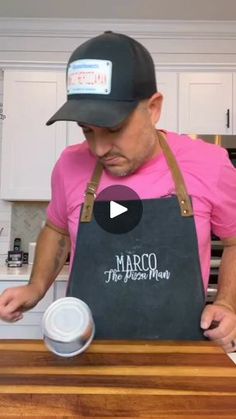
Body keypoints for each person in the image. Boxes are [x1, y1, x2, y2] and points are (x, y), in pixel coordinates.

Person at [0, 31, 236, 350]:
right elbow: (56, 230)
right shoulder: (70, 165)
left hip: (180, 354)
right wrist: (35, 287)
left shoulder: (209, 163)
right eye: (87, 130)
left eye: (113, 129)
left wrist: (227, 302)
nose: (98, 148)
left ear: (153, 109)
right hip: (86, 350)